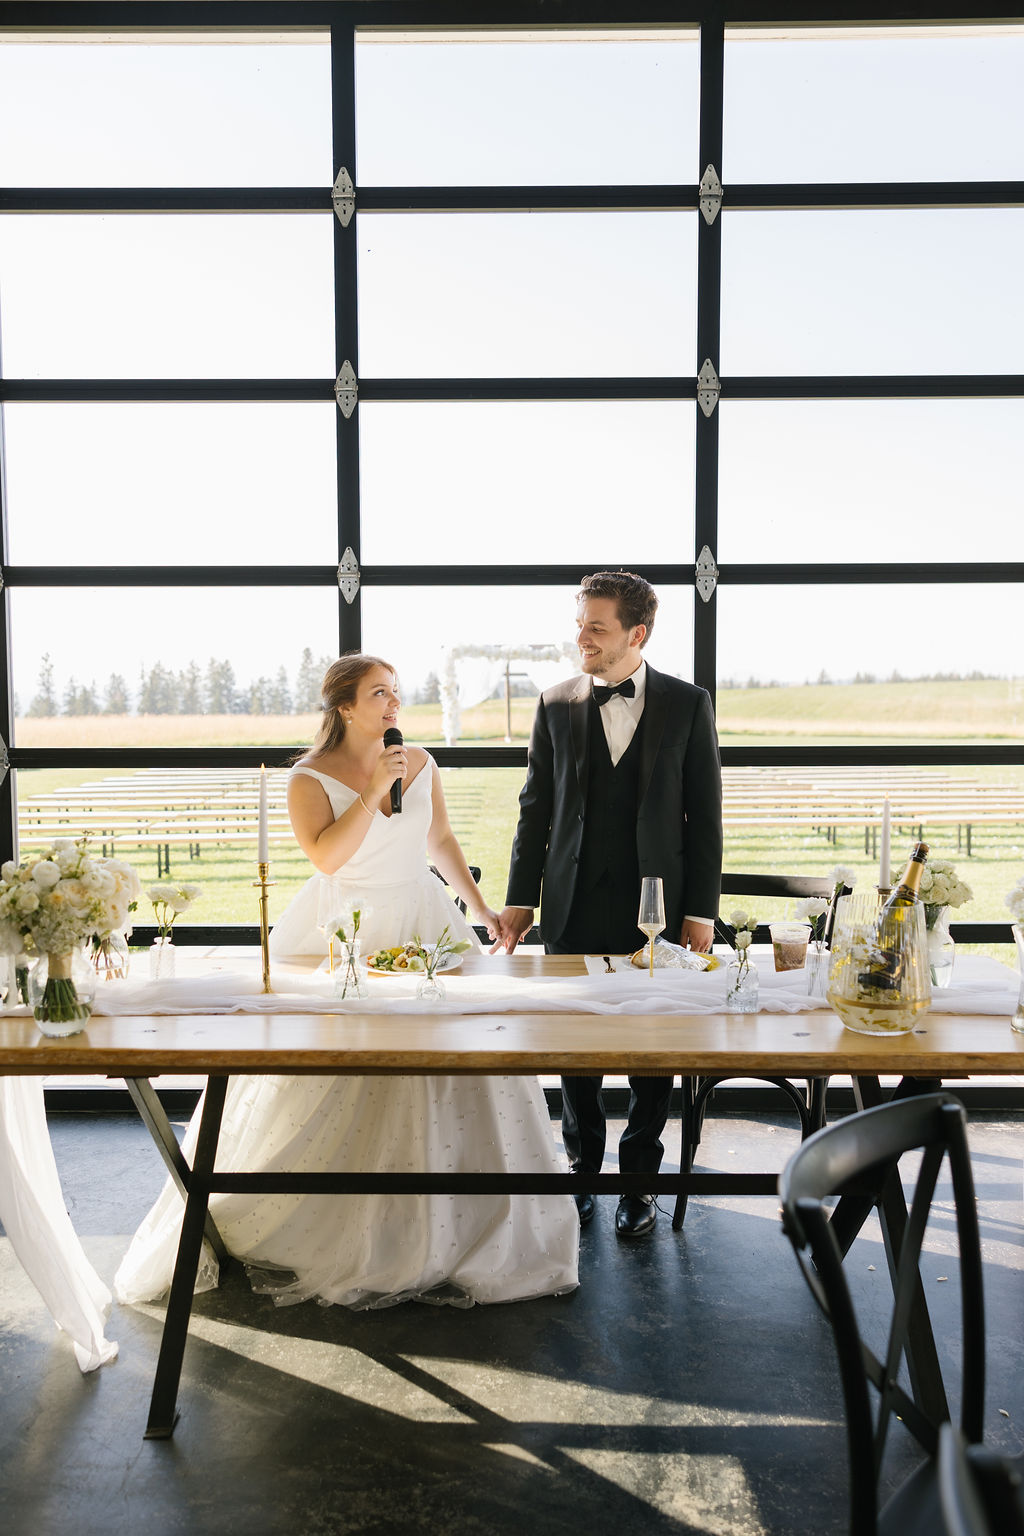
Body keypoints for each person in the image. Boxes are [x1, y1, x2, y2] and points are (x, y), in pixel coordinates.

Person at [115, 654, 578, 1311]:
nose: (394, 705)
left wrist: (483, 915)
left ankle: (461, 1223)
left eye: (396, 693)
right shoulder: (308, 778)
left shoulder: (418, 762)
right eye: (379, 694)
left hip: (424, 919)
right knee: (342, 1067)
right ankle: (343, 1223)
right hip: (345, 930)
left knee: (460, 1063)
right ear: (344, 708)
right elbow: (327, 856)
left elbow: (440, 842)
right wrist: (368, 793)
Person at [495, 572, 723, 1240]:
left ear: (636, 633)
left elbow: (705, 815)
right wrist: (520, 898)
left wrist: (701, 910)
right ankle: (581, 1171)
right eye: (580, 624)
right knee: (575, 1049)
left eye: (596, 627)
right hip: (571, 903)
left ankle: (639, 1185)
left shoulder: (687, 703)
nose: (581, 638)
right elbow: (534, 810)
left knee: (653, 1051)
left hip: (657, 906)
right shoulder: (554, 703)